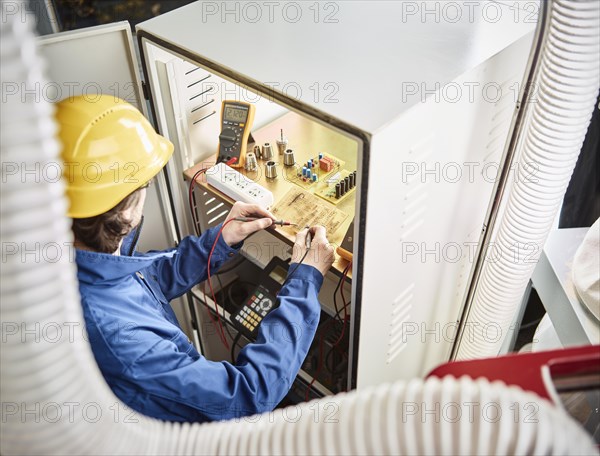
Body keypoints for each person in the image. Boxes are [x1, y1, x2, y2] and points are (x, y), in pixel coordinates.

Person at [56, 95, 335, 422]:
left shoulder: (78, 261)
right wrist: (305, 281)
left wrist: (220, 239)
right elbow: (247, 394)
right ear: (128, 207)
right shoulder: (121, 336)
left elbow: (149, 278)